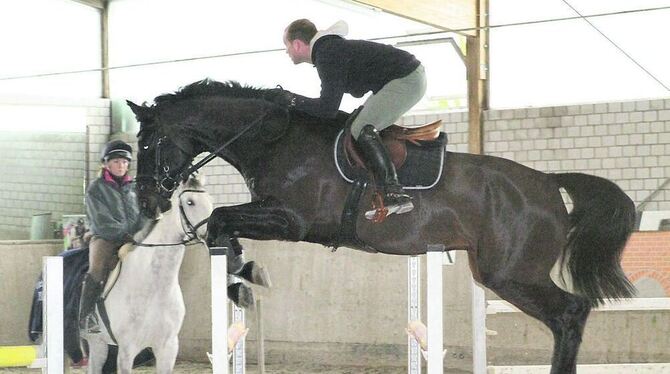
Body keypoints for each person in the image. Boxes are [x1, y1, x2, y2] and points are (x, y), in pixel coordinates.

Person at [280, 19, 427, 217]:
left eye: (286, 46)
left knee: (362, 129)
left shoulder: (327, 53)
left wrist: (291, 100)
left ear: (297, 44)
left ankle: (393, 193)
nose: (287, 52)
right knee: (355, 125)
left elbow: (327, 109)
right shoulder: (327, 50)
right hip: (400, 78)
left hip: (406, 80)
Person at [79, 139, 145, 333]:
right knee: (97, 269)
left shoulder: (134, 188)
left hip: (132, 238)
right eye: (116, 161)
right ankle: (87, 315)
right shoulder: (96, 189)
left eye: (125, 162)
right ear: (106, 164)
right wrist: (125, 234)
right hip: (105, 238)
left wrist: (141, 232)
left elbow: (142, 214)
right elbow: (101, 220)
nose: (121, 165)